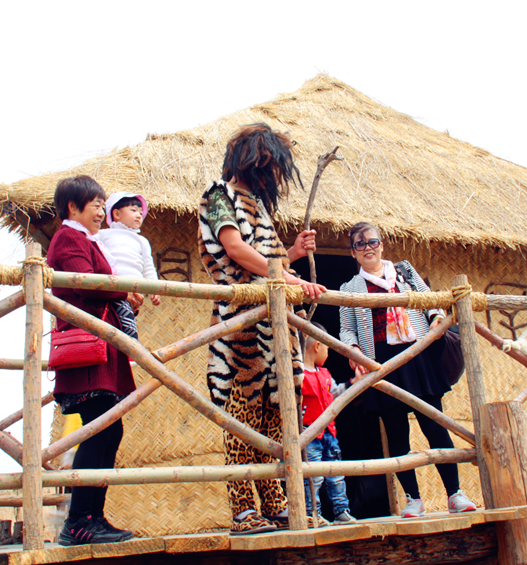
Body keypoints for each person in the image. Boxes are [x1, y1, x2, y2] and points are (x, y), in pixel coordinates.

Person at [198, 123, 326, 535]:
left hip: (276, 323)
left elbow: (269, 262)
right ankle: (241, 510)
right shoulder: (219, 196)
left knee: (276, 412)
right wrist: (288, 279)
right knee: (243, 412)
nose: (269, 174)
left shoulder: (259, 204)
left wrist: (290, 255)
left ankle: (274, 505)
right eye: (265, 165)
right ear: (248, 160)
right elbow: (235, 250)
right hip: (243, 321)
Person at [339, 221, 477, 518]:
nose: (368, 248)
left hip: (416, 356)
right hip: (381, 363)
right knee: (397, 432)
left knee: (434, 424)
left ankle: (455, 493)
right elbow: (347, 330)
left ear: (382, 245)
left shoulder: (403, 271)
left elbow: (429, 299)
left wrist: (436, 318)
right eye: (360, 244)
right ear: (353, 252)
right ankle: (413, 499)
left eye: (372, 242)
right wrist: (353, 352)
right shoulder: (349, 289)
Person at [47, 175, 139, 545]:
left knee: (106, 428)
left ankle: (90, 518)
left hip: (101, 346)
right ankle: (80, 522)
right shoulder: (68, 238)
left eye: (104, 205)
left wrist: (122, 294)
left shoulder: (85, 239)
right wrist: (121, 288)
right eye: (96, 204)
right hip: (89, 350)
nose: (102, 211)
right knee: (100, 428)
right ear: (73, 206)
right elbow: (83, 281)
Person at [301, 322, 360, 525]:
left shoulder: (325, 374)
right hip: (309, 434)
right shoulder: (297, 375)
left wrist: (352, 383)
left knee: (336, 474)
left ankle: (341, 511)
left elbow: (334, 394)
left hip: (329, 433)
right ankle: (312, 514)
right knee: (313, 478)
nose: (328, 353)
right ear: (317, 346)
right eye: (327, 347)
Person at [94, 192, 160, 339]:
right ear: (116, 214)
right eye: (133, 211)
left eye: (141, 213)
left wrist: (154, 289)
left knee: (126, 325)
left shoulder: (142, 241)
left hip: (133, 291)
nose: (139, 215)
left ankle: (128, 355)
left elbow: (148, 267)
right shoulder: (103, 234)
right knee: (111, 324)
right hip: (111, 288)